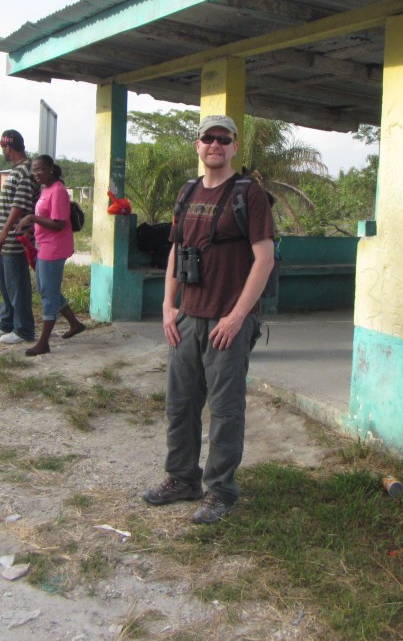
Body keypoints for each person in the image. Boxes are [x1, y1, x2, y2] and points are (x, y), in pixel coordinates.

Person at [140, 115, 275, 525]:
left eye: (223, 139)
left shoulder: (249, 194)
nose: (215, 144)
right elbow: (176, 250)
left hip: (227, 323)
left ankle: (221, 492)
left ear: (235, 147)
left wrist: (237, 317)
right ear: (197, 146)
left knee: (225, 409)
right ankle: (182, 479)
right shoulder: (188, 192)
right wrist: (169, 305)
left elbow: (264, 258)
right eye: (208, 138)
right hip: (188, 318)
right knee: (180, 406)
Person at [15, 155, 86, 356]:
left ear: (51, 169)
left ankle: (43, 342)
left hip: (54, 249)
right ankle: (74, 323)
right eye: (34, 170)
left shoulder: (58, 192)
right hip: (44, 245)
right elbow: (46, 220)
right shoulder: (46, 190)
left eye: (40, 169)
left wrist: (31, 217)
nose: (36, 174)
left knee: (48, 293)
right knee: (47, 288)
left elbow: (59, 223)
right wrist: (30, 231)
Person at [0, 129, 36, 346]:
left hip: (14, 239)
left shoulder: (25, 170)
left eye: (3, 148)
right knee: (5, 284)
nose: (2, 152)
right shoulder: (16, 170)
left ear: (9, 147)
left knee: (17, 285)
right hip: (5, 239)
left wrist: (5, 232)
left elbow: (19, 206)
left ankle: (23, 329)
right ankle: (6, 323)